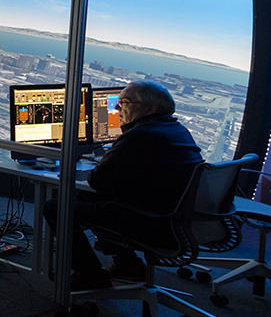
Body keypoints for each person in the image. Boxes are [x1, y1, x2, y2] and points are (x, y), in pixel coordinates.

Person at [42, 80, 203, 290]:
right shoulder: (175, 128)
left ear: (150, 108)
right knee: (88, 198)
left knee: (56, 207)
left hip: (152, 222)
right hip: (172, 214)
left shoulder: (142, 135)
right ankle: (128, 264)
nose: (116, 108)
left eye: (124, 102)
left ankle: (91, 275)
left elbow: (98, 180)